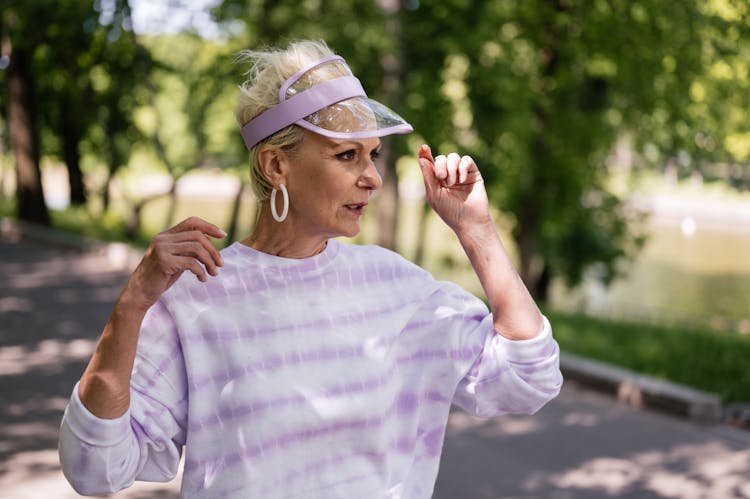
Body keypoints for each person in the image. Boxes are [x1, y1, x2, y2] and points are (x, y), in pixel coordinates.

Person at [58, 39, 562, 498]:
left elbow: (528, 378)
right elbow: (95, 468)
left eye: (373, 155)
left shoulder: (396, 287)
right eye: (347, 155)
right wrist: (132, 305)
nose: (371, 179)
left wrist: (476, 231)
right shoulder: (196, 298)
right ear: (277, 166)